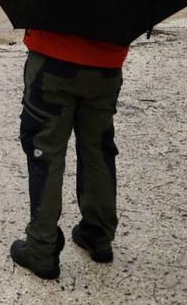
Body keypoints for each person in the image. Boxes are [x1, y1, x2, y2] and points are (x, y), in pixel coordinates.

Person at [9, 28, 127, 280]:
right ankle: (98, 235)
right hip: (107, 65)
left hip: (52, 60)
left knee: (45, 152)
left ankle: (41, 248)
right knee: (98, 150)